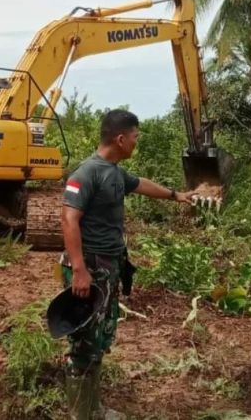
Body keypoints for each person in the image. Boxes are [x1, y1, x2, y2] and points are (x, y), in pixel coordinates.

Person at [60, 109, 195, 419]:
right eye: (135, 137)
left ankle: (94, 408)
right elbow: (69, 220)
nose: (137, 142)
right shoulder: (86, 174)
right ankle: (81, 413)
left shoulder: (115, 172)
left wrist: (177, 195)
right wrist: (79, 270)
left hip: (108, 267)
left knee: (100, 338)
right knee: (82, 342)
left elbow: (142, 184)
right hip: (89, 269)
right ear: (120, 139)